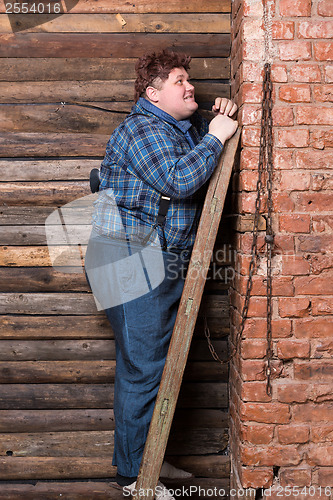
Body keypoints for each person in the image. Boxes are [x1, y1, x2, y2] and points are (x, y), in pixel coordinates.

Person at [85, 49, 238, 499]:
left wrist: (218, 122)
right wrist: (215, 137)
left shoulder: (176, 130)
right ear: (153, 94)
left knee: (156, 367)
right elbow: (178, 180)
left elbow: (198, 166)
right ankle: (135, 477)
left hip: (154, 261)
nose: (189, 86)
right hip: (127, 261)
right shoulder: (142, 129)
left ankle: (148, 457)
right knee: (142, 370)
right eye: (179, 81)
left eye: (188, 79)